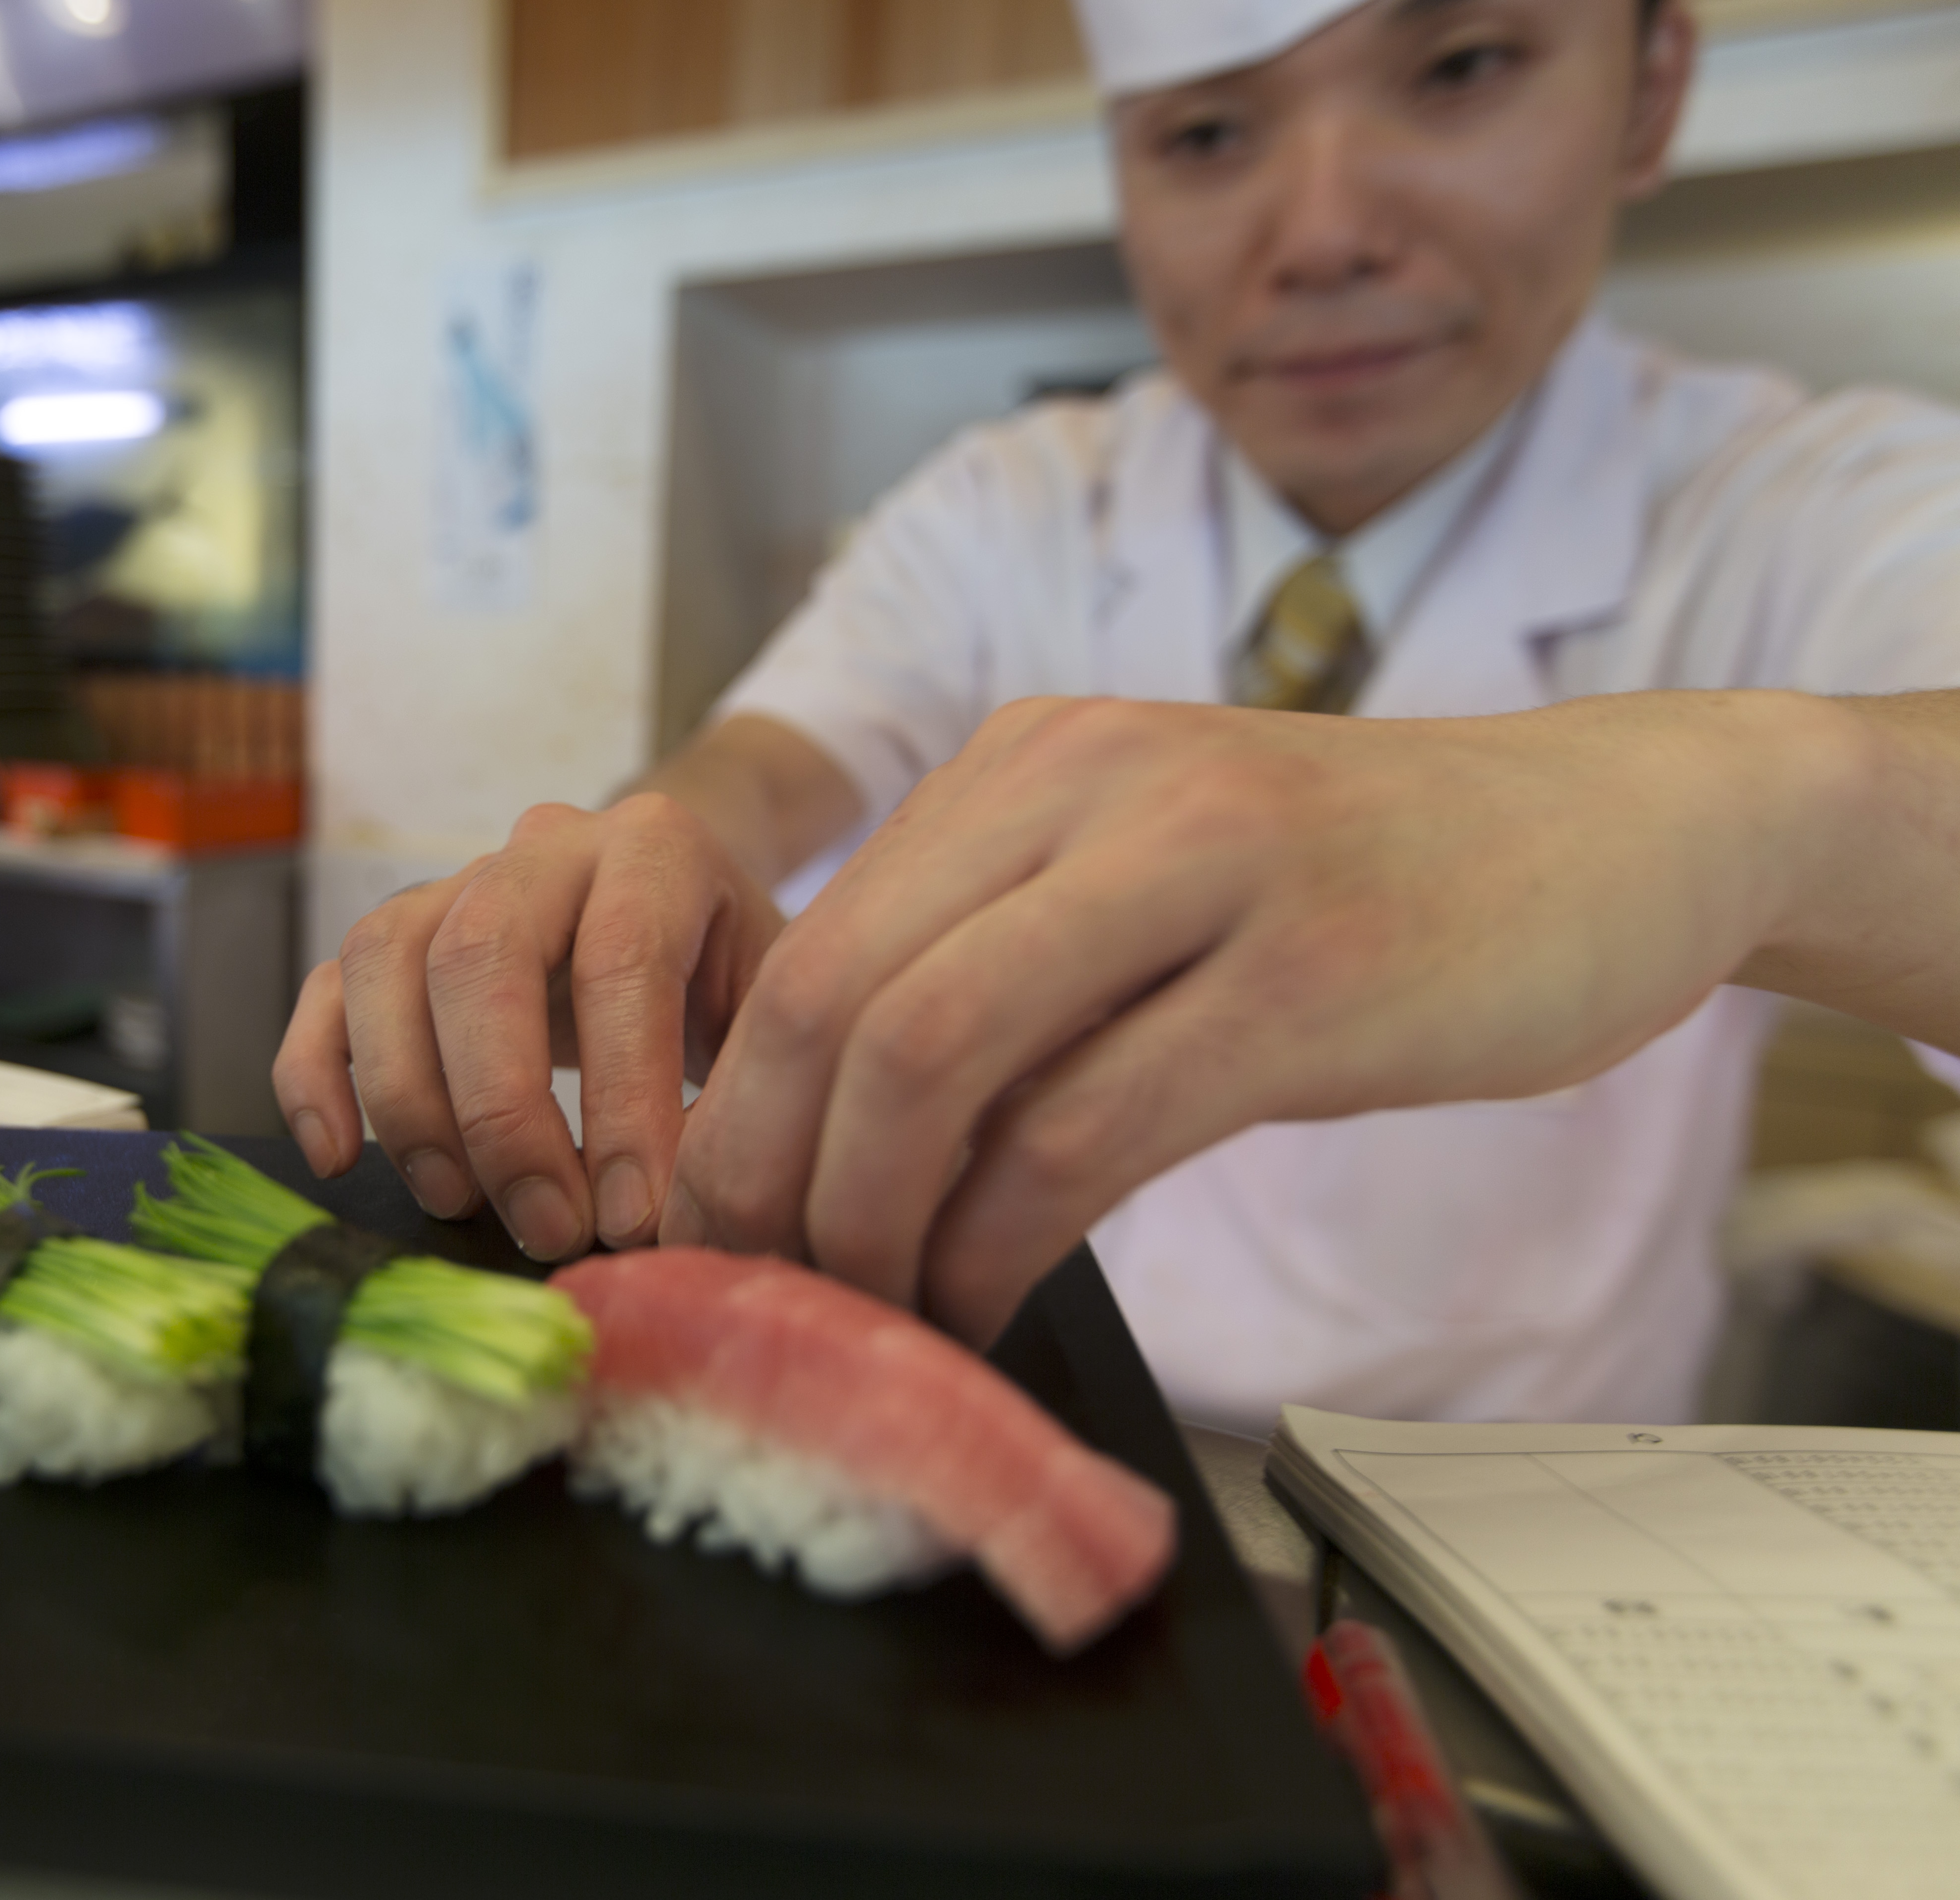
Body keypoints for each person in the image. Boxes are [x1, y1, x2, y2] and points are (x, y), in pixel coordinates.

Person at [275, 0, 1960, 1433]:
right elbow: (763, 770)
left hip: (1526, 1544)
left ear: (1650, 86)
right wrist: (626, 870)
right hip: (1011, 1436)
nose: (1322, 232)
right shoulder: (1020, 502)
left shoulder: (1808, 503)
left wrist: (1730, 802)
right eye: (1208, 136)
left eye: (1459, 68)